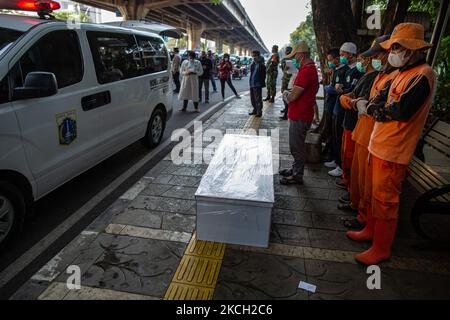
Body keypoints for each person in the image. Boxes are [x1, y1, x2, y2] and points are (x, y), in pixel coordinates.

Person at [347, 23, 436, 265]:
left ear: (413, 50)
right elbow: (378, 100)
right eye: (393, 47)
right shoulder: (399, 74)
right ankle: (371, 232)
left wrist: (377, 108)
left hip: (394, 150)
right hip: (378, 143)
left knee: (386, 200)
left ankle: (381, 247)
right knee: (376, 196)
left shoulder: (424, 74)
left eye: (398, 47)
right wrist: (377, 107)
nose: (393, 52)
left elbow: (400, 111)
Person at [337, 36, 391, 220]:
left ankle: (362, 214)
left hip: (375, 138)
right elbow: (354, 98)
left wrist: (352, 101)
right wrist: (352, 100)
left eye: (376, 55)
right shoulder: (377, 76)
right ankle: (357, 205)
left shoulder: (389, 77)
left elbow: (367, 103)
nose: (367, 60)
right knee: (358, 173)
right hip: (361, 130)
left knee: (370, 185)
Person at [278, 42, 319, 185]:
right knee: (296, 145)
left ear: (301, 55)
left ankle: (297, 175)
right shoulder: (307, 69)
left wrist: (285, 95)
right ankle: (295, 169)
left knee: (296, 146)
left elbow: (293, 96)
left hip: (300, 114)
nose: (294, 59)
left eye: (295, 56)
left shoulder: (307, 71)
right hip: (301, 113)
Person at [327, 42, 360, 179]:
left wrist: (340, 90)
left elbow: (351, 90)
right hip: (338, 106)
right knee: (335, 134)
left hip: (344, 108)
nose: (341, 57)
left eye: (343, 54)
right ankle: (337, 161)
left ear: (351, 54)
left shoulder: (357, 71)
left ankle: (341, 166)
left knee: (341, 136)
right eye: (340, 54)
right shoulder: (346, 69)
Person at [321, 48, 349, 163]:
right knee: (330, 131)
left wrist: (328, 88)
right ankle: (332, 155)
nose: (329, 63)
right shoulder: (336, 70)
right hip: (331, 106)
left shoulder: (344, 71)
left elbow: (337, 89)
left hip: (336, 106)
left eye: (330, 60)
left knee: (336, 134)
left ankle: (335, 158)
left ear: (337, 59)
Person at [249, 50, 267, 118]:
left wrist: (261, 82)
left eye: (255, 56)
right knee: (252, 98)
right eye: (252, 56)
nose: (253, 58)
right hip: (252, 84)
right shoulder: (253, 65)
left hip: (257, 84)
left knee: (258, 99)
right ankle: (255, 110)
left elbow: (263, 76)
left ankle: (259, 111)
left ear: (258, 56)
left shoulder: (262, 66)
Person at [280, 46, 293, 120]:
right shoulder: (294, 59)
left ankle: (286, 112)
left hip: (286, 80)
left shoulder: (284, 59)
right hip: (292, 79)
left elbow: (283, 69)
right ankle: (286, 109)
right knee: (288, 95)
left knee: (285, 94)